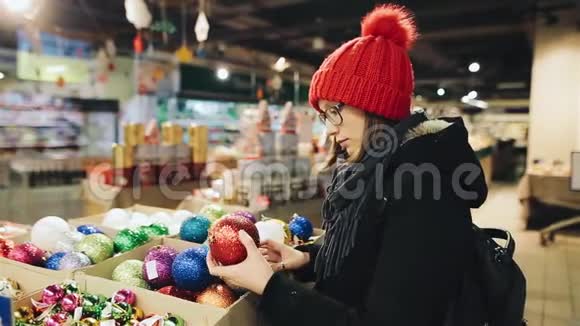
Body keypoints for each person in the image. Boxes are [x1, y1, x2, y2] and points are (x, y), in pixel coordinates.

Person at [207, 4, 488, 326]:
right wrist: (309, 258)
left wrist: (270, 288)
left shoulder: (423, 185)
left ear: (374, 105)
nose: (328, 129)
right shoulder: (373, 169)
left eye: (334, 111)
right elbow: (368, 251)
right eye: (323, 115)